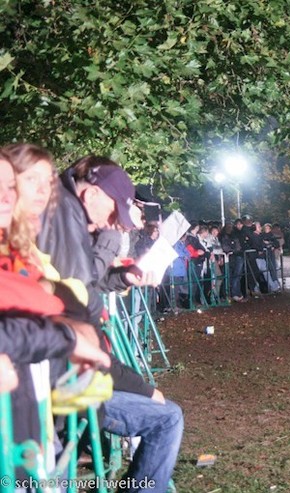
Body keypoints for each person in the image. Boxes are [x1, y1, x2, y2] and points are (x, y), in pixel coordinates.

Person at [35, 154, 183, 493]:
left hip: (69, 366)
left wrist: (125, 277)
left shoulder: (70, 214)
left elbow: (85, 285)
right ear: (91, 194)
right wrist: (107, 242)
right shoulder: (62, 216)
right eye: (114, 212)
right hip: (65, 371)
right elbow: (77, 289)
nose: (113, 222)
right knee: (165, 416)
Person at [0, 150, 111, 481]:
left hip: (32, 420)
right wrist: (65, 331)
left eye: (9, 186)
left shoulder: (22, 250)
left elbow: (60, 300)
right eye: (29, 180)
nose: (7, 196)